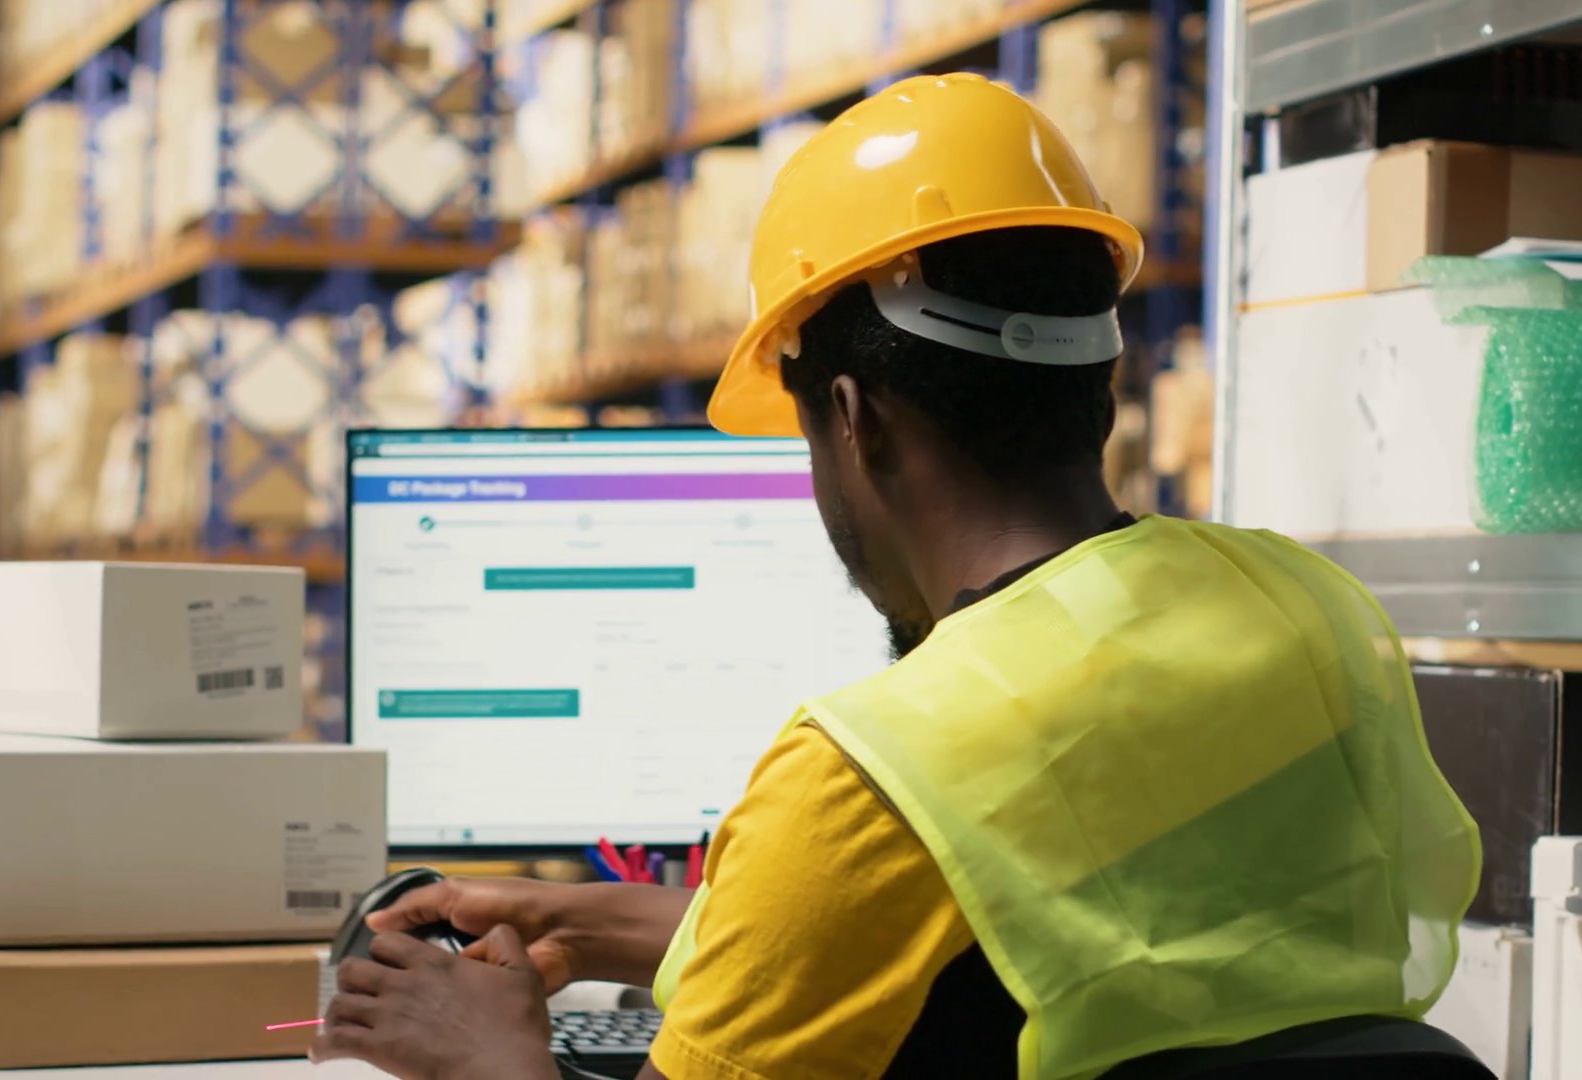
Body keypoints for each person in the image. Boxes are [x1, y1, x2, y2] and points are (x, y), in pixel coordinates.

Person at [310, 74, 1482, 1080]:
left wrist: (489, 1053)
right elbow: (1065, 937)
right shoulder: (1297, 608)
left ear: (854, 417)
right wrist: (583, 918)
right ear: (1101, 385)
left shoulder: (872, 770)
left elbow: (873, 879)